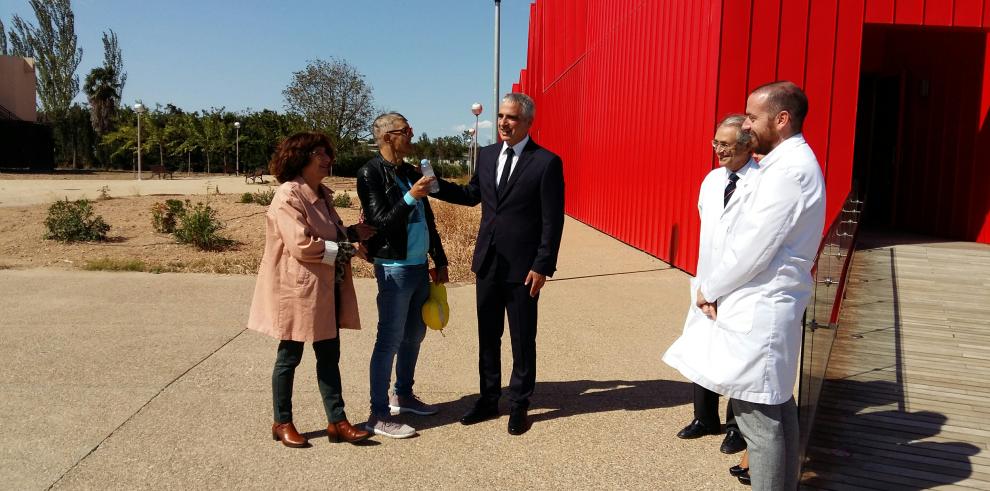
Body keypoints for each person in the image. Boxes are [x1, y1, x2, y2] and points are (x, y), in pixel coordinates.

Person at [663, 81, 825, 490]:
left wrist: (709, 287)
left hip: (761, 308)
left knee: (760, 422)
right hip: (764, 305)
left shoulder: (786, 172)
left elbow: (754, 246)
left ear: (781, 119)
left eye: (753, 117)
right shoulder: (786, 165)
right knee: (778, 411)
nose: (747, 125)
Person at [432, 92, 565, 436]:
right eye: (502, 116)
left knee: (523, 339)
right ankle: (489, 398)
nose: (504, 123)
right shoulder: (488, 156)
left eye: (512, 118)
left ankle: (520, 403)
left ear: (528, 123)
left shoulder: (546, 162)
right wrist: (435, 186)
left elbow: (552, 220)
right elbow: (472, 195)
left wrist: (543, 265)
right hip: (488, 262)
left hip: (524, 269)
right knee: (488, 336)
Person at [247, 131, 375, 447]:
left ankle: (337, 421)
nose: (327, 158)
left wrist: (352, 232)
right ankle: (282, 421)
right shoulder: (288, 195)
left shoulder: (322, 194)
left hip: (326, 287)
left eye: (328, 152)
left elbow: (330, 232)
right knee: (289, 356)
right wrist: (347, 250)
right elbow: (303, 245)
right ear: (300, 157)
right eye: (319, 152)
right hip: (297, 291)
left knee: (329, 355)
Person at [356, 112, 450, 439]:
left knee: (414, 335)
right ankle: (378, 414)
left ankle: (404, 395)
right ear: (387, 137)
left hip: (418, 267)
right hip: (393, 268)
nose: (411, 135)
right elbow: (381, 221)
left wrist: (438, 257)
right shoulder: (369, 172)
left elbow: (428, 219)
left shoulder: (409, 171)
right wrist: (412, 196)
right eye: (405, 131)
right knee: (389, 340)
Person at [673, 115, 754, 457]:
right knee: (703, 348)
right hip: (707, 278)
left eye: (726, 144)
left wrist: (723, 282)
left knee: (736, 357)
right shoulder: (711, 180)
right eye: (715, 143)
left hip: (739, 285)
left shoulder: (759, 183)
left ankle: (737, 428)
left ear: (747, 144)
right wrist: (708, 283)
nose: (718, 150)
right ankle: (704, 418)